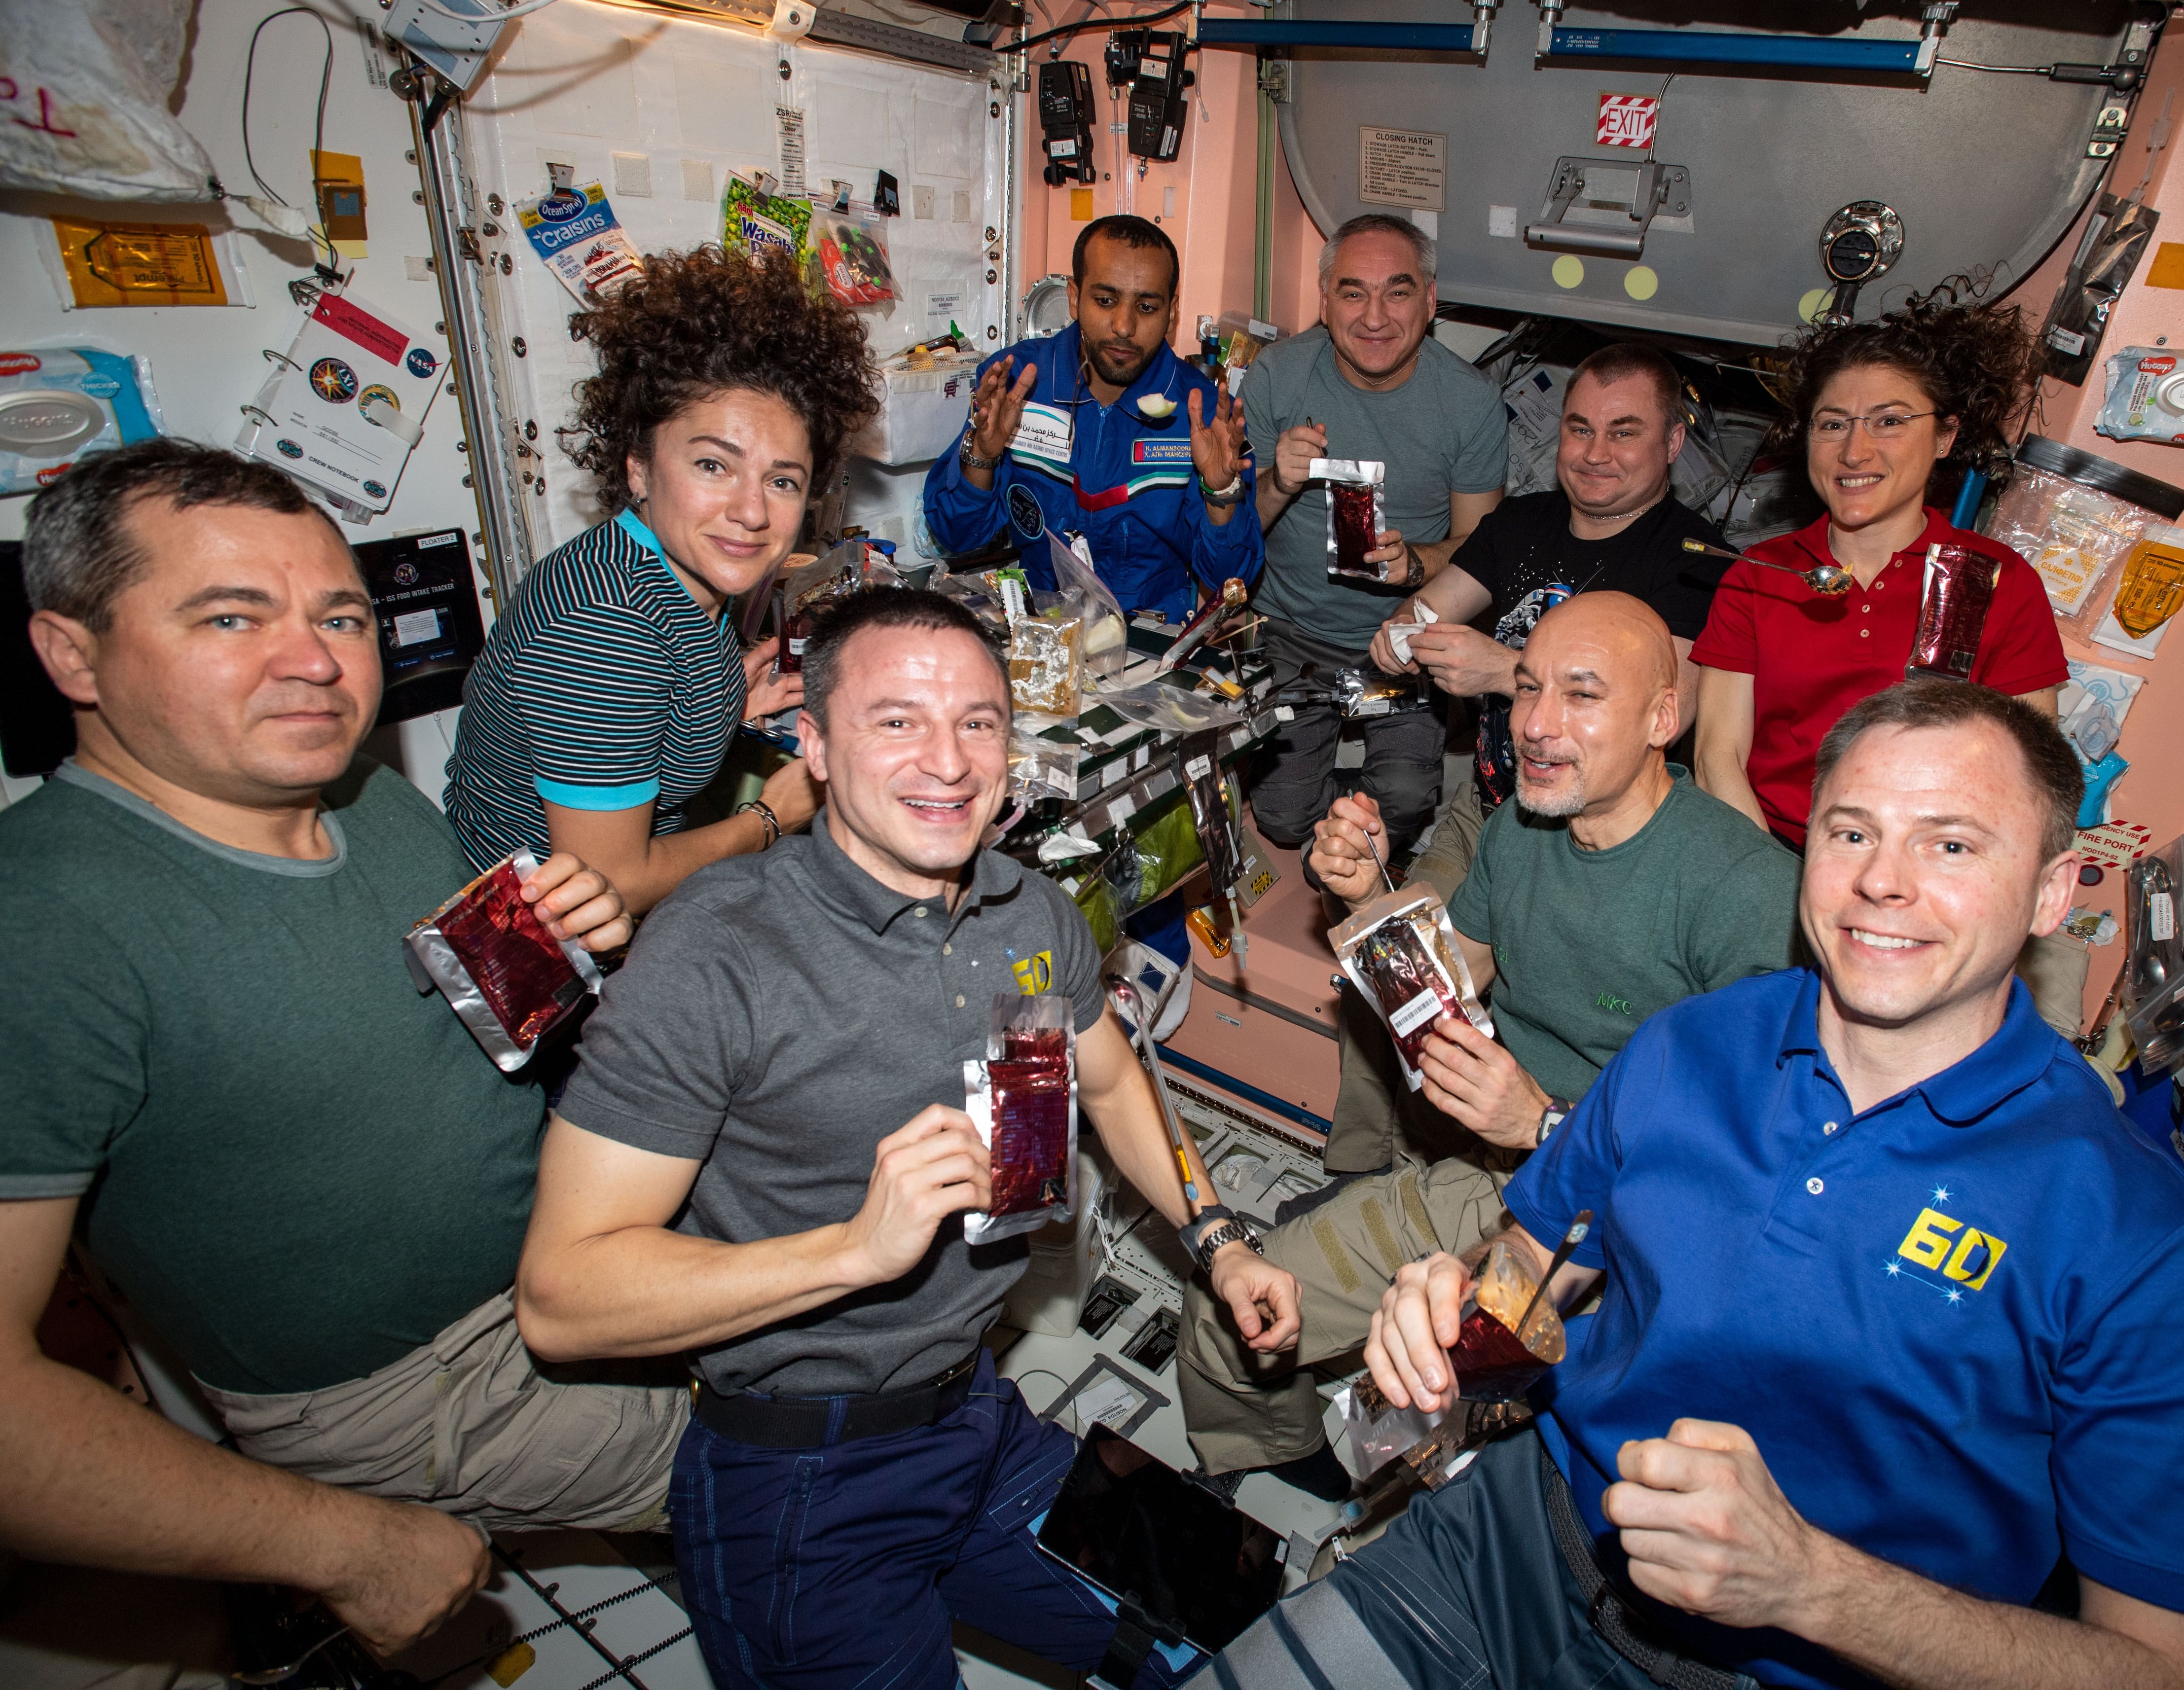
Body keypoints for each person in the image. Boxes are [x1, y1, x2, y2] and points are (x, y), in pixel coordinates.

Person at [1194, 679, 2184, 1690]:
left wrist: (1812, 1584)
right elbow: (1539, 1253)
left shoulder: (2144, 1242)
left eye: (1949, 843)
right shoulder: (1690, 1046)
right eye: (1850, 831)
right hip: (1515, 1538)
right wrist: (1460, 1309)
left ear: (2049, 891)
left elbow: (2170, 1669)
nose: (1881, 880)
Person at [512, 588, 1301, 1689]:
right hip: (800, 1478)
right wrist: (854, 1249)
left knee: (1239, 1622)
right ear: (815, 745)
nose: (949, 761)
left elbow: (1116, 1084)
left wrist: (1219, 1236)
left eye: (978, 722)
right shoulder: (714, 953)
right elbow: (561, 1297)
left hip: (978, 1420)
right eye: (897, 721)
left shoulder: (1030, 909)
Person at [0, 442, 689, 1679]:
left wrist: (576, 942)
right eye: (230, 615)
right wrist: (343, 1545)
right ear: (71, 653)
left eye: (339, 616)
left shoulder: (356, 794)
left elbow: (473, 1032)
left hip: (560, 1242)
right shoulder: (43, 929)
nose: (316, 660)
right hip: (411, 1381)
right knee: (808, 1453)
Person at [1174, 593, 1801, 1493]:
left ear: (1663, 718)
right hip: (1498, 1170)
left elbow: (1744, 1170)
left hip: (1618, 1237)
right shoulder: (1519, 828)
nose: (1537, 727)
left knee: (1462, 1414)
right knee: (1234, 1303)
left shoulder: (1742, 889)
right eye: (1528, 688)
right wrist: (1362, 896)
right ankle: (1280, 1456)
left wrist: (1544, 1122)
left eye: (1582, 696)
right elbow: (1446, 978)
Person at [1316, 342, 1736, 1177]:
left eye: (1625, 431)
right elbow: (1432, 609)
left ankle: (1475, 1179)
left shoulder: (1694, 556)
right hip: (1492, 809)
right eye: (1580, 428)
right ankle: (1363, 1169)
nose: (1596, 451)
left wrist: (1503, 673)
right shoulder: (1524, 522)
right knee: (1387, 964)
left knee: (1511, 1021)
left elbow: (1671, 707)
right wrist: (1405, 630)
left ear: (1674, 443)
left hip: (1596, 843)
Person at [444, 244, 879, 913]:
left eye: (782, 479)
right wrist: (771, 818)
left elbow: (636, 720)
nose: (752, 511)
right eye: (713, 465)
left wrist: (724, 701)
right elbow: (607, 881)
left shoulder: (671, 576)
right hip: (547, 956)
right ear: (640, 467)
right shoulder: (605, 621)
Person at [1694, 299, 2067, 854]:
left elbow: (2029, 777)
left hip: (1926, 866)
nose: (1854, 450)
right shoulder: (1758, 574)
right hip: (1768, 854)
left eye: (1889, 421)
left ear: (1944, 437)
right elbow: (1715, 757)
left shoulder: (1994, 581)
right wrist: (1768, 884)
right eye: (1832, 424)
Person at [1242, 213, 1507, 849]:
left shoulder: (1470, 404)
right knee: (1280, 820)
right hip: (1290, 633)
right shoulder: (1277, 376)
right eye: (1353, 292)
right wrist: (1278, 479)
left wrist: (1417, 564)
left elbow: (1481, 550)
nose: (1374, 317)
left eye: (1397, 290)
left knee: (1405, 807)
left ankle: (1368, 804)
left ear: (1430, 300)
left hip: (1398, 643)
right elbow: (1230, 536)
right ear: (1325, 299)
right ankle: (1324, 785)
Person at [923, 214, 1258, 623]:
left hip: (1149, 640)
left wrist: (1221, 495)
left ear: (1171, 315)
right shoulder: (1017, 384)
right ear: (1073, 297)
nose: (1124, 326)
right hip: (1040, 624)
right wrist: (982, 456)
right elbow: (956, 536)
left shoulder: (1203, 414)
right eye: (1105, 301)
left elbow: (1230, 582)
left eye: (1147, 307)